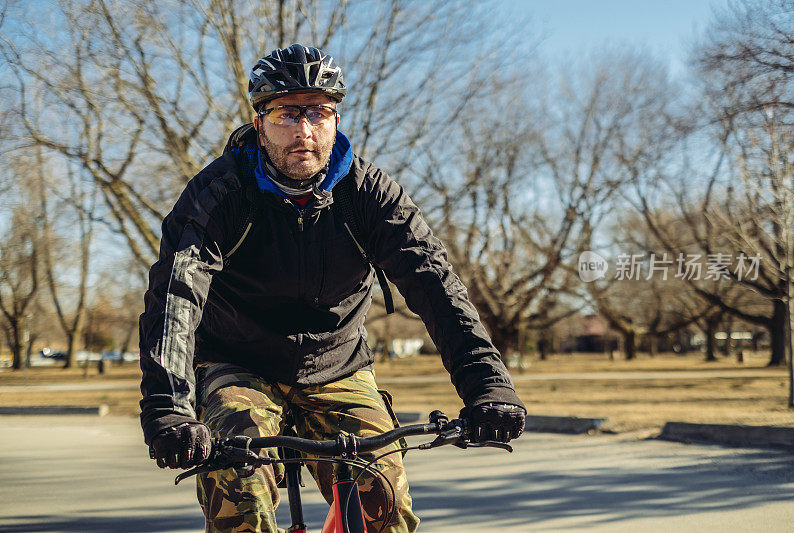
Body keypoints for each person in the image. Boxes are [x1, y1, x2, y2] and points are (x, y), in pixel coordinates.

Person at [139, 43, 527, 533]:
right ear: (260, 125)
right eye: (285, 113)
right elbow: (174, 297)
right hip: (238, 365)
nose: (303, 131)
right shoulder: (220, 193)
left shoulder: (369, 194)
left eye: (319, 113)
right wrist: (168, 409)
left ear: (336, 121)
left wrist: (488, 386)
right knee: (238, 489)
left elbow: (437, 287)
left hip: (338, 365)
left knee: (385, 505)